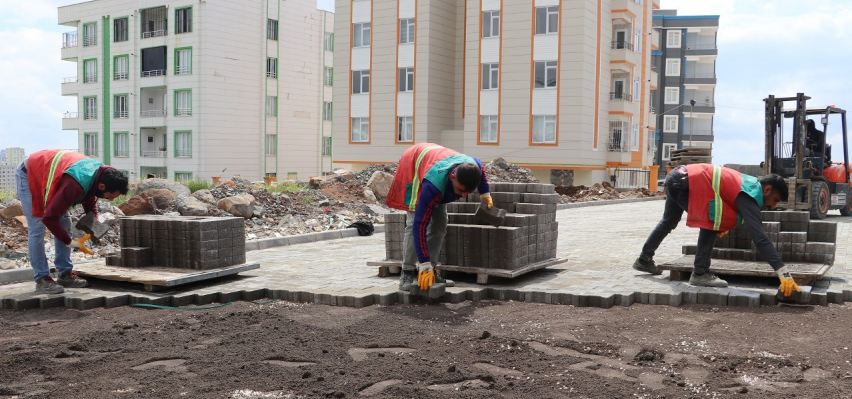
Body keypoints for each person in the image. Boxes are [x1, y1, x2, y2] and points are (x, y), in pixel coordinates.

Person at [633, 164, 799, 296]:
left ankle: (644, 260)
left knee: (669, 221)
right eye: (775, 200)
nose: (773, 205)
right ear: (767, 189)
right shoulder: (750, 194)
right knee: (712, 221)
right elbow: (760, 238)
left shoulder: (748, 183)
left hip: (677, 176)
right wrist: (783, 272)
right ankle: (700, 274)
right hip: (685, 183)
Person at [15, 149, 129, 294]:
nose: (111, 199)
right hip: (30, 173)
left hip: (52, 172)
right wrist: (69, 241)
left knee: (65, 223)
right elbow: (49, 219)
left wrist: (94, 227)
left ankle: (65, 275)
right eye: (111, 196)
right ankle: (42, 279)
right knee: (37, 227)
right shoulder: (74, 184)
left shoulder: (99, 175)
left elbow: (89, 199)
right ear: (102, 186)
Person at [386, 143, 492, 292]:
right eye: (461, 190)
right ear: (452, 175)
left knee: (440, 223)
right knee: (413, 222)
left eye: (468, 192)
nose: (463, 196)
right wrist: (423, 262)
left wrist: (485, 193)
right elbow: (420, 225)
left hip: (435, 159)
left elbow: (481, 169)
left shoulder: (473, 166)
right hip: (414, 162)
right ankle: (407, 272)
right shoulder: (432, 186)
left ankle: (431, 272)